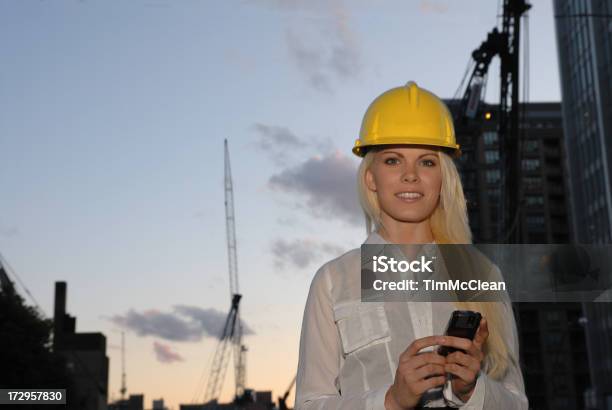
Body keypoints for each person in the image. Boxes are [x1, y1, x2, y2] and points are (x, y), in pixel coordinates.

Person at [294, 82, 528, 409]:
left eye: (427, 162)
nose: (410, 175)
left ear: (443, 177)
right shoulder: (333, 281)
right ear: (370, 177)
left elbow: (517, 403)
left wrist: (470, 391)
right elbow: (309, 404)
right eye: (392, 160)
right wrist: (390, 401)